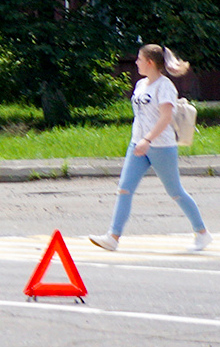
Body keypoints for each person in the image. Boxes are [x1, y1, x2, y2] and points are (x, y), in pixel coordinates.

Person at [89, 45, 210, 252]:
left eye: (139, 59)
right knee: (124, 189)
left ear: (150, 63)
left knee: (175, 191)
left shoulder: (165, 86)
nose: (136, 62)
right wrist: (140, 140)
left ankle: (202, 233)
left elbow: (165, 117)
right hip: (138, 144)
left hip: (161, 146)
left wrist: (148, 139)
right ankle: (113, 237)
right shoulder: (140, 85)